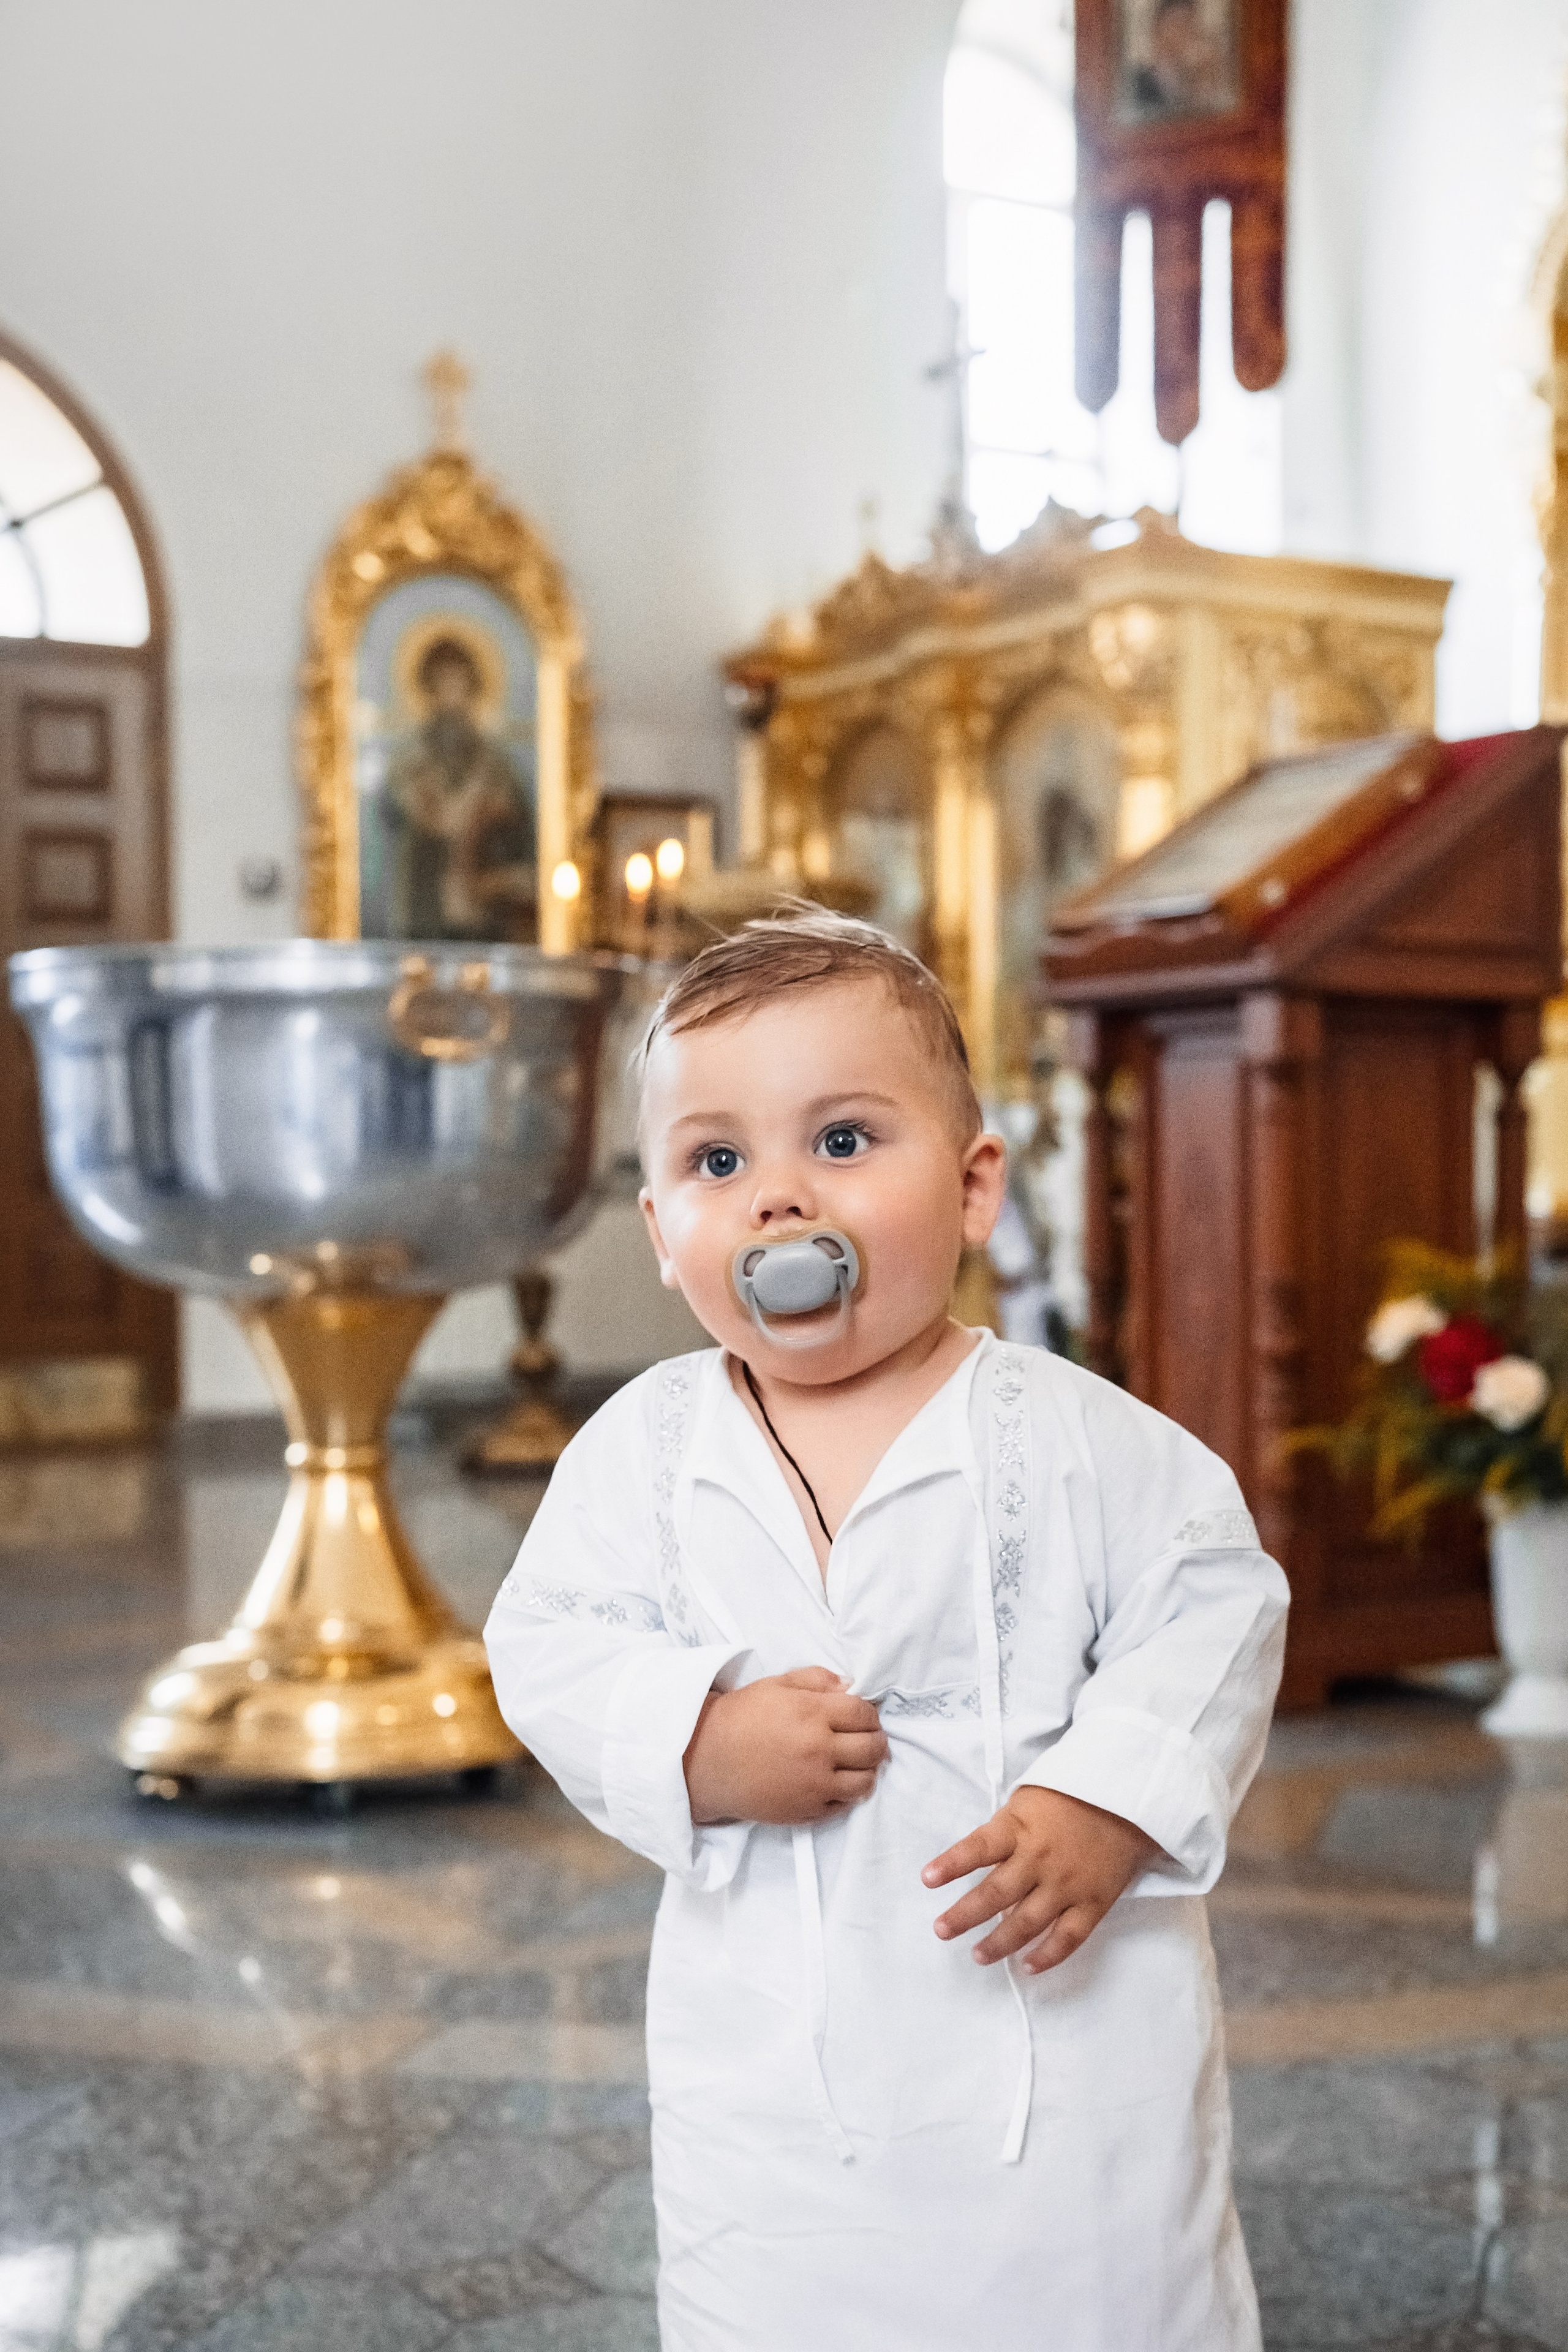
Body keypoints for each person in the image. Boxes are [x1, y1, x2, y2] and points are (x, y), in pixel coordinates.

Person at [484, 909, 1288, 2350]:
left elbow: (1212, 1599)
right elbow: (545, 1638)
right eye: (716, 1161)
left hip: (1058, 2048)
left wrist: (1104, 1797)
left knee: (1096, 2287)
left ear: (973, 1185)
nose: (779, 1200)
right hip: (776, 2076)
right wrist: (693, 1733)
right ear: (664, 1229)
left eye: (842, 1140)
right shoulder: (644, 1449)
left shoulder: (1073, 1432)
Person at [382, 635, 536, 939]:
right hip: (423, 910)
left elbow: (521, 836)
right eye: (442, 683)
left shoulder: (497, 763)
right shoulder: (409, 760)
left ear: (474, 687)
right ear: (428, 688)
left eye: (460, 682)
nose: (452, 694)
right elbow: (400, 817)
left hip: (485, 914)